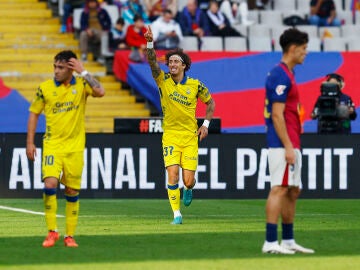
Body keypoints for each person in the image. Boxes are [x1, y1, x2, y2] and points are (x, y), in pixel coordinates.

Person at [26, 50, 105, 248]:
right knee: (50, 183)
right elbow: (34, 114)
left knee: (71, 190)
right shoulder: (44, 88)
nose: (56, 71)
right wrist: (30, 142)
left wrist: (83, 71)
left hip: (75, 148)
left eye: (61, 67)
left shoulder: (82, 84)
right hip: (53, 145)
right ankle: (52, 231)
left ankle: (70, 235)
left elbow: (101, 92)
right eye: (55, 67)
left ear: (71, 68)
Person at [144, 26, 216, 224]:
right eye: (170, 61)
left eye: (177, 61)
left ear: (184, 66)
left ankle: (191, 187)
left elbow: (211, 103)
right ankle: (177, 214)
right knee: (172, 174)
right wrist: (150, 43)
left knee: (187, 180)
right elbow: (152, 63)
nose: (172, 64)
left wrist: (206, 124)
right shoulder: (163, 80)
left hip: (190, 137)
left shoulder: (195, 85)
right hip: (170, 136)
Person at [262, 28, 315, 254]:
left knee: (293, 190)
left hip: (292, 140)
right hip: (282, 142)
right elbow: (276, 114)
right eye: (303, 49)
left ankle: (289, 240)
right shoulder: (280, 75)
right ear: (292, 49)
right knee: (280, 189)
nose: (305, 53)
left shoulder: (287, 74)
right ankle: (271, 242)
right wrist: (287, 146)